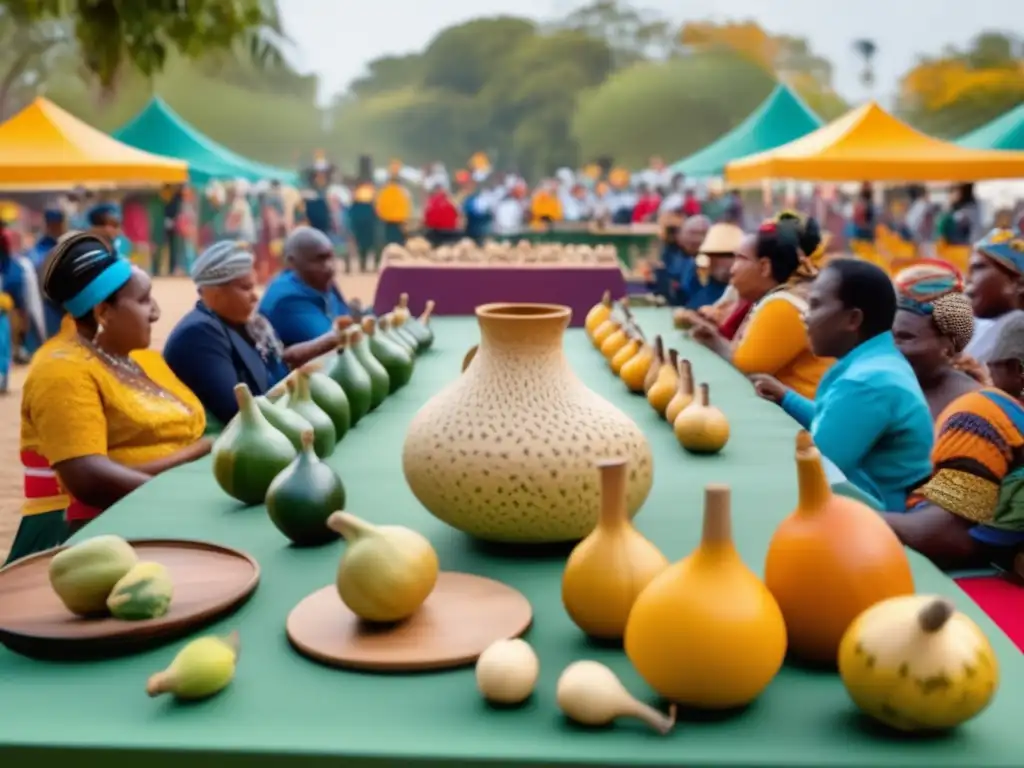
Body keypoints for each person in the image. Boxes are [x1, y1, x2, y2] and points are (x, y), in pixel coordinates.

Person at [8, 233, 209, 564]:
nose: (156, 312)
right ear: (103, 312)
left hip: (147, 514)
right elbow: (89, 478)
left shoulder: (138, 360)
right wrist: (183, 481)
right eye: (144, 300)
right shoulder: (61, 371)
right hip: (86, 539)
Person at [753, 258, 935, 511]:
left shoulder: (867, 383)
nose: (805, 316)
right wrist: (786, 397)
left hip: (877, 520)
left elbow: (813, 472)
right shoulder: (879, 361)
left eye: (815, 305)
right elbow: (837, 421)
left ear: (852, 319)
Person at [883, 313, 1024, 571]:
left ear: (1016, 370)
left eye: (904, 337)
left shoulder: (985, 414)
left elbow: (944, 533)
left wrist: (855, 519)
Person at [164, 241, 348, 429]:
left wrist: (332, 341)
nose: (255, 296)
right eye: (246, 288)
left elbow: (281, 361)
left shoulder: (247, 324)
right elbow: (240, 413)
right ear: (215, 294)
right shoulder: (199, 335)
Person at [687, 212, 833, 399]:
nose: (732, 269)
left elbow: (748, 370)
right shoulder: (783, 296)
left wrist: (715, 343)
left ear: (765, 266)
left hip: (801, 421)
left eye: (740, 259)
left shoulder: (784, 305)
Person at [892, 261, 981, 420]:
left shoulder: (972, 410)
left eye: (904, 337)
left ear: (949, 346)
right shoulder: (886, 390)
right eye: (887, 335)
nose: (889, 347)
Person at [259, 226, 352, 347]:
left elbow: (346, 319)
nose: (329, 266)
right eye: (320, 259)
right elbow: (336, 344)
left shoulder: (321, 282)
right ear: (292, 262)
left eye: (331, 257)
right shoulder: (287, 300)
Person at [963, 228, 1024, 362]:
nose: (967, 280)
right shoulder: (982, 325)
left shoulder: (1017, 327)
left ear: (1017, 284)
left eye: (978, 268)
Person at [677, 222, 742, 310]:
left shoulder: (744, 292)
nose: (725, 262)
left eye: (729, 255)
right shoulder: (700, 286)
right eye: (716, 255)